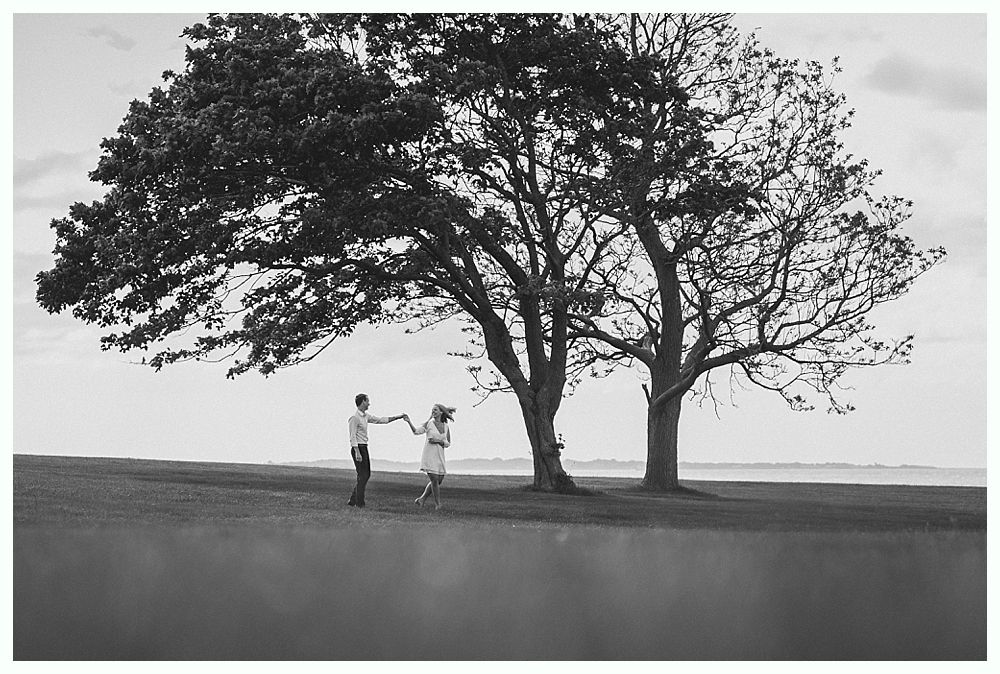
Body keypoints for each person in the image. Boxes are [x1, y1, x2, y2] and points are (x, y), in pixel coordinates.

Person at [347, 393, 407, 508]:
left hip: (364, 447)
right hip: (358, 448)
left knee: (366, 475)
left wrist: (398, 417)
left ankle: (353, 500)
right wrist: (357, 452)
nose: (369, 403)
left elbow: (381, 420)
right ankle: (359, 503)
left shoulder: (365, 416)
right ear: (362, 402)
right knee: (362, 475)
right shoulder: (354, 418)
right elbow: (352, 436)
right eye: (367, 401)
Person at [405, 403, 455, 510]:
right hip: (429, 455)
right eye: (432, 410)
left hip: (440, 456)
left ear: (441, 412)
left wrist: (438, 441)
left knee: (439, 480)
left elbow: (448, 443)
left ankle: (421, 499)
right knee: (434, 480)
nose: (433, 411)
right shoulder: (429, 424)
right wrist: (409, 421)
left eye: (435, 410)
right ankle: (438, 504)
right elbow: (416, 431)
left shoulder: (446, 427)